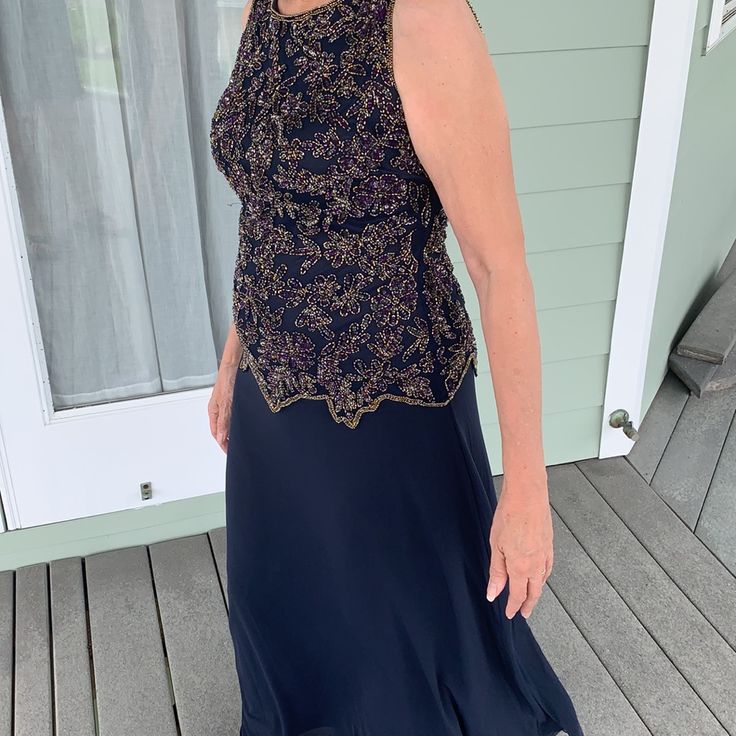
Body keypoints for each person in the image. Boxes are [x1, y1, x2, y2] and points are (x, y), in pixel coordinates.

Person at [209, 0, 585, 733]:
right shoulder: (266, 6)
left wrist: (529, 489)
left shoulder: (423, 19)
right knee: (286, 608)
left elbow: (498, 267)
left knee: (398, 642)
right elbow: (266, 208)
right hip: (273, 395)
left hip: (390, 403)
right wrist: (234, 357)